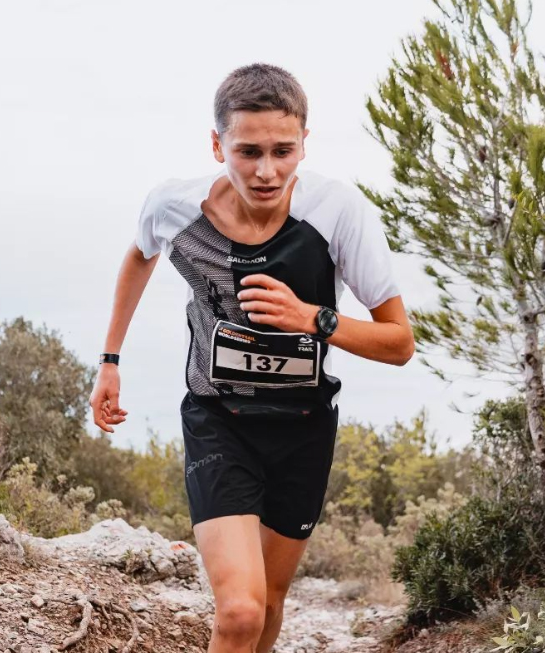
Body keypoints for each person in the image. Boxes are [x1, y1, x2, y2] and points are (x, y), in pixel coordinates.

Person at [90, 63, 415, 653]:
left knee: (266, 605)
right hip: (220, 420)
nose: (267, 171)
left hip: (303, 427)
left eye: (283, 151)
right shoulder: (174, 207)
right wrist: (110, 359)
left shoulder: (338, 213)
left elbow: (399, 343)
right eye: (248, 152)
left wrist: (313, 319)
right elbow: (139, 255)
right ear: (218, 146)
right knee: (239, 611)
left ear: (304, 144)